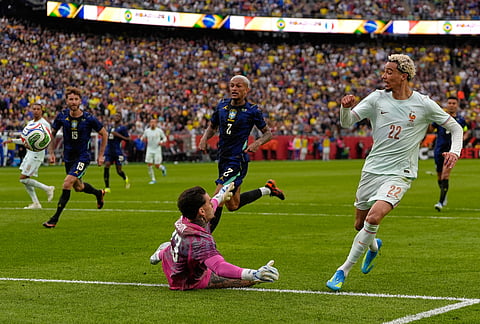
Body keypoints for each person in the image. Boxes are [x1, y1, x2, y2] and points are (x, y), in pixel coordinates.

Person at [326, 54, 463, 291]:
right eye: (384, 71)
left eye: (390, 72)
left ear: (404, 75)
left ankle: (343, 270)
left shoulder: (423, 103)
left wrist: (455, 151)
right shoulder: (376, 99)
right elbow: (347, 123)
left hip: (401, 173)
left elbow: (455, 127)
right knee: (360, 225)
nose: (384, 76)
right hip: (372, 169)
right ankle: (373, 246)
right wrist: (344, 108)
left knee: (373, 217)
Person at [149, 184, 279, 290]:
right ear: (202, 211)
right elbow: (220, 267)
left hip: (171, 261)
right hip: (185, 281)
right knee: (245, 281)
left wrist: (222, 194)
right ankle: (162, 251)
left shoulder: (187, 217)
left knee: (177, 248)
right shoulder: (200, 242)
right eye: (208, 202)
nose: (212, 203)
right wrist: (254, 274)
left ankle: (161, 252)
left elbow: (215, 203)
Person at [198, 75, 285, 231]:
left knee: (218, 195)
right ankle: (268, 189)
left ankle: (204, 237)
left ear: (247, 90)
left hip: (237, 160)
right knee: (233, 205)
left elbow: (268, 133)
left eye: (238, 86)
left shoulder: (252, 110)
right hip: (223, 157)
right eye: (232, 86)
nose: (234, 89)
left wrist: (257, 143)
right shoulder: (222, 106)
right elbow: (212, 127)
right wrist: (205, 138)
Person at [43, 87, 108, 228]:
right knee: (78, 187)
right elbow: (52, 135)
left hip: (83, 157)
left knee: (67, 183)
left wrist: (101, 155)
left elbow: (105, 134)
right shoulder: (62, 116)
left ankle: (54, 219)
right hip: (68, 157)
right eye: (70, 99)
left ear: (80, 101)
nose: (73, 102)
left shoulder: (89, 118)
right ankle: (98, 193)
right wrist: (51, 152)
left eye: (76, 99)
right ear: (66, 101)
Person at [2, 103, 55, 209]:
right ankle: (36, 203)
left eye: (38, 109)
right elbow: (26, 140)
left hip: (36, 154)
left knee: (23, 179)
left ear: (42, 111)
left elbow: (47, 141)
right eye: (34, 109)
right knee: (26, 180)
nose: (36, 111)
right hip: (29, 153)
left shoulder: (44, 124)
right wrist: (12, 140)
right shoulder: (30, 123)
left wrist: (51, 154)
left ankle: (47, 188)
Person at [429, 96, 468, 211]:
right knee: (440, 176)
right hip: (438, 150)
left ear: (457, 105)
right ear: (446, 104)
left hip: (451, 152)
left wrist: (462, 140)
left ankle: (440, 202)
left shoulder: (461, 120)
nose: (451, 105)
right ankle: (443, 195)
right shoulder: (440, 118)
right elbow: (430, 129)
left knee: (445, 175)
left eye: (454, 103)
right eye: (449, 103)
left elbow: (465, 131)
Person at [103, 113, 131, 192]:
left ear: (121, 118)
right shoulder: (110, 127)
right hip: (109, 150)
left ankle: (125, 178)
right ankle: (107, 187)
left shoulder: (122, 128)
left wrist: (117, 135)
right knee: (107, 165)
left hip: (117, 151)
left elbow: (128, 139)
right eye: (115, 116)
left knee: (119, 171)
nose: (116, 117)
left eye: (118, 116)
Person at [141, 118, 167, 184]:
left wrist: (161, 141)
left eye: (154, 122)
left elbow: (165, 138)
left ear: (156, 123)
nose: (152, 124)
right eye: (151, 122)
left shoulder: (159, 131)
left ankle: (162, 168)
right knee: (149, 164)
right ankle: (153, 179)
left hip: (157, 149)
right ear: (149, 123)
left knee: (157, 165)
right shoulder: (147, 131)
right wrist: (142, 139)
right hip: (149, 149)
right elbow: (143, 137)